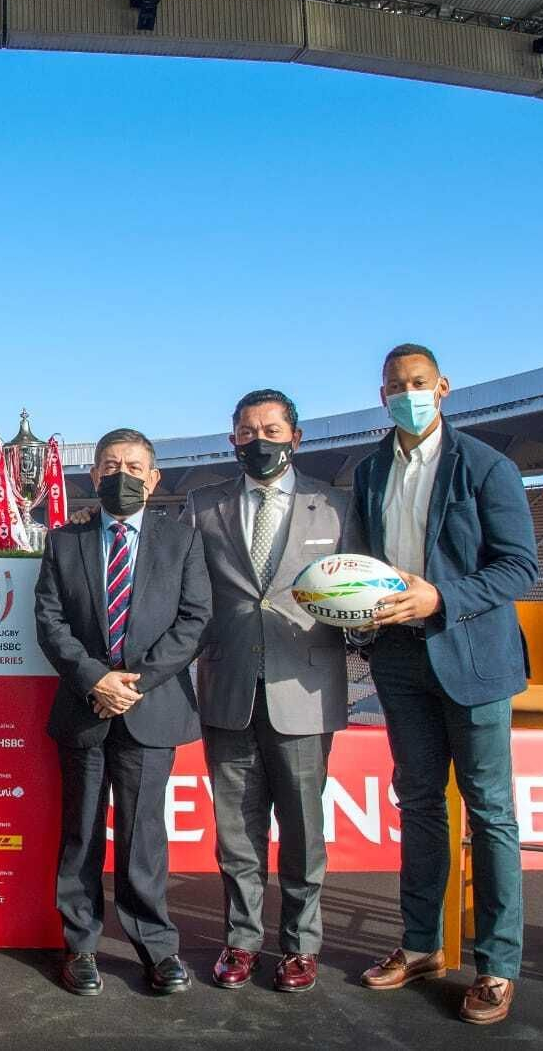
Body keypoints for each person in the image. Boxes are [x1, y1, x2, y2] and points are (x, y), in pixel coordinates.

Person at [349, 343, 537, 1025]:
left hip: (474, 659)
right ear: (382, 396)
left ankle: (496, 966)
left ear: (443, 387)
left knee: (490, 813)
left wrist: (441, 598)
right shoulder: (369, 471)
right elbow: (360, 562)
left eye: (419, 382)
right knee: (421, 805)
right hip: (399, 660)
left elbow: (519, 567)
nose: (408, 393)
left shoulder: (486, 466)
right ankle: (422, 944)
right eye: (396, 386)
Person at [184, 389, 356, 994]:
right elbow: (184, 586)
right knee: (236, 830)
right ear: (232, 439)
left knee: (304, 830)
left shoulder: (334, 506)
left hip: (304, 689)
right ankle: (242, 939)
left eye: (272, 430)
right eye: (248, 431)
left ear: (295, 437)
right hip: (227, 683)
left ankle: (301, 945)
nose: (260, 441)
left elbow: (360, 589)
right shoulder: (203, 505)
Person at [34, 428, 212, 997]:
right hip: (85, 707)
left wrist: (135, 683)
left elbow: (194, 620)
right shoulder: (64, 541)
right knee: (81, 833)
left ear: (153, 479)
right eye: (110, 466)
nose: (122, 476)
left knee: (143, 837)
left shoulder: (182, 539)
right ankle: (80, 946)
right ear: (94, 476)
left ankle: (157, 948)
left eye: (134, 467)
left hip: (150, 707)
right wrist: (96, 679)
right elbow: (50, 622)